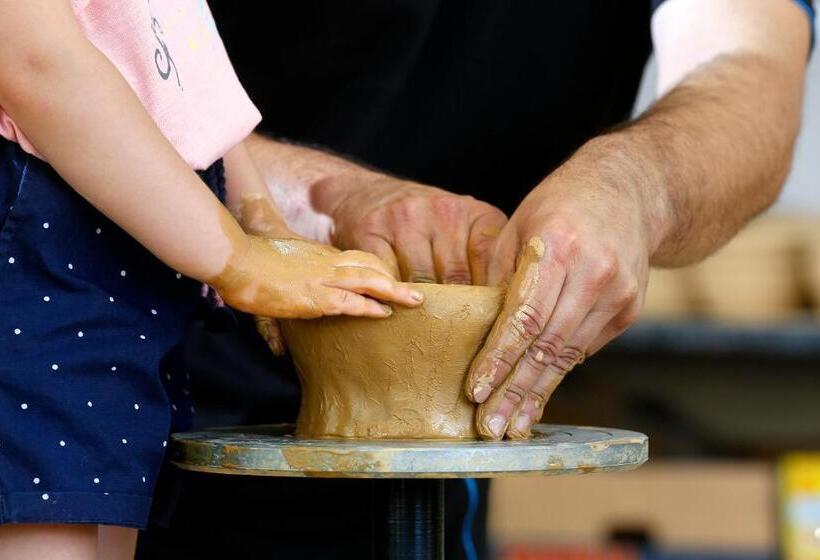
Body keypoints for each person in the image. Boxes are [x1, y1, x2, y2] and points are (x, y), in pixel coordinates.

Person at [138, 0, 815, 559]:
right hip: (114, 361)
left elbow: (748, 63)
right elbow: (64, 64)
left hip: (441, 419)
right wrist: (316, 196)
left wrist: (635, 185)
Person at [0, 1, 424, 558]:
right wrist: (239, 261)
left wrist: (261, 218)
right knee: (47, 522)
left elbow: (182, 77)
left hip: (123, 278)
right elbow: (33, 63)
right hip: (37, 262)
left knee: (101, 519)